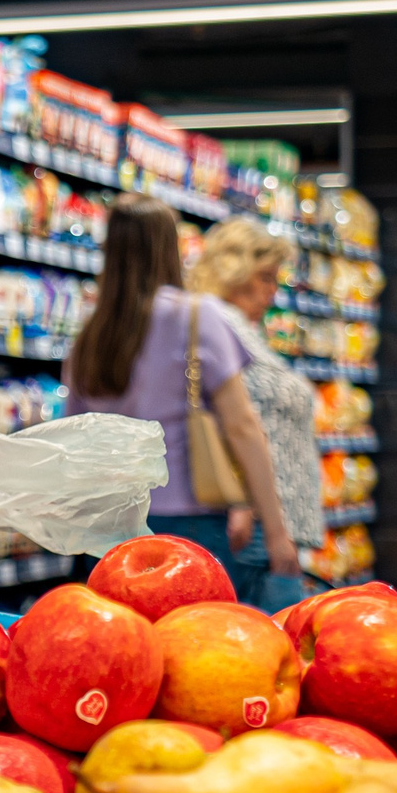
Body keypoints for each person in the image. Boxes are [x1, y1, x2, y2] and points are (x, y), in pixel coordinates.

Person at [65, 195, 296, 605]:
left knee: (123, 638)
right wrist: (277, 533)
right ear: (168, 248)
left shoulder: (90, 334)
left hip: (107, 527)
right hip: (188, 524)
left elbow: (74, 439)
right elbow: (242, 426)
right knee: (193, 637)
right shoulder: (195, 317)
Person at [191, 218, 323, 609]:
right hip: (256, 526)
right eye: (265, 277)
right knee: (266, 633)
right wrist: (247, 504)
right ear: (233, 271)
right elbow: (229, 420)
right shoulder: (220, 322)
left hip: (267, 522)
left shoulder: (239, 328)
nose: (272, 290)